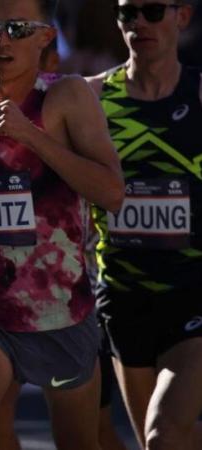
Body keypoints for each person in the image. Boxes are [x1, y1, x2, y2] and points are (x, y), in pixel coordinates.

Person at [0, 0, 125, 448]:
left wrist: (31, 136)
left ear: (45, 35)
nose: (1, 39)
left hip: (59, 308)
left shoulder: (66, 96)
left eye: (17, 28)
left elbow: (111, 192)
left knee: (78, 441)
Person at [87, 1, 202, 449]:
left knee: (161, 434)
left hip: (193, 292)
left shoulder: (198, 95)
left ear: (183, 16)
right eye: (126, 12)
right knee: (158, 440)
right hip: (123, 296)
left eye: (152, 10)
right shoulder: (92, 99)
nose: (138, 23)